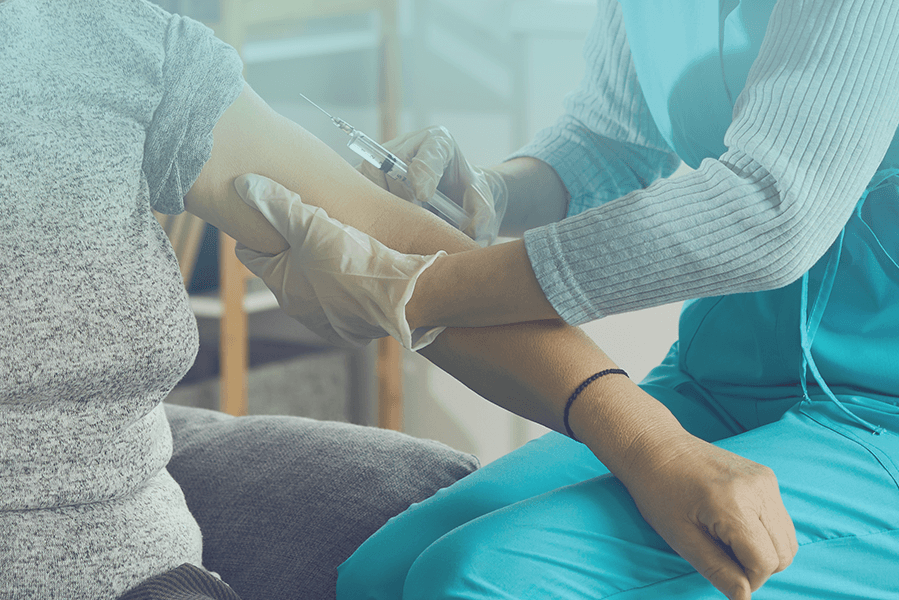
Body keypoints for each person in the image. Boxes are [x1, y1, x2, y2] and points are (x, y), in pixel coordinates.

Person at [1, 1, 787, 600]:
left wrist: (655, 446)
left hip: (151, 567)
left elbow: (395, 238)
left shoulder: (104, 44)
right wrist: (419, 285)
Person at [231, 0, 899, 599]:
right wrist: (490, 192)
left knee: (473, 580)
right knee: (379, 574)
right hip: (721, 373)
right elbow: (611, 142)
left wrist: (422, 291)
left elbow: (770, 214)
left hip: (879, 411)